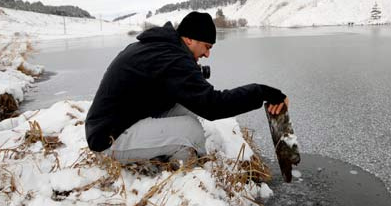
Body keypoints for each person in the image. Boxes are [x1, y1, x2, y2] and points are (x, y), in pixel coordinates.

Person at [85, 11, 288, 164]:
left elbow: (174, 86)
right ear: (189, 39)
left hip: (121, 119)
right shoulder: (171, 57)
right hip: (108, 139)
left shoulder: (163, 47)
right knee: (190, 131)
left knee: (188, 112)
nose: (208, 55)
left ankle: (174, 159)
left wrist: (192, 75)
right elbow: (213, 105)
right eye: (207, 47)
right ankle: (191, 175)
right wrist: (263, 92)